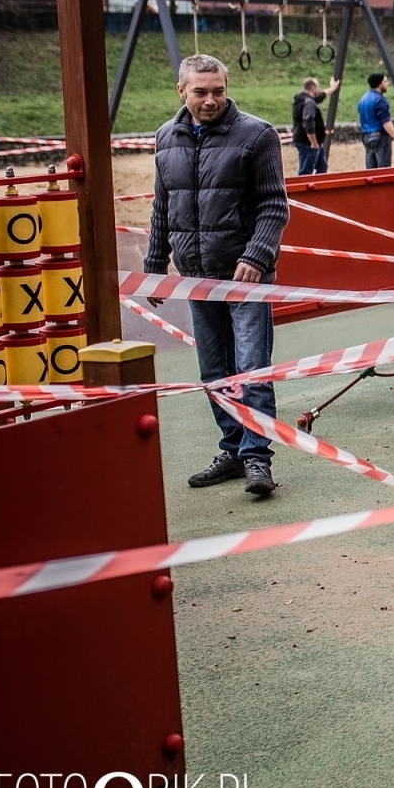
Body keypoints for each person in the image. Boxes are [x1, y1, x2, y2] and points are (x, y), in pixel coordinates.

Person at [145, 54, 289, 497]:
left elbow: (274, 206)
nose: (210, 100)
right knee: (214, 371)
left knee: (251, 369)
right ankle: (231, 449)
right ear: (181, 91)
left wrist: (258, 256)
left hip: (244, 277)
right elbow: (162, 206)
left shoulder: (257, 135)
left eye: (218, 91)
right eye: (200, 91)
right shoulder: (165, 138)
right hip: (195, 277)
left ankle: (256, 458)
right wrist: (154, 264)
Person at [292, 76, 340, 175]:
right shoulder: (309, 103)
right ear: (313, 88)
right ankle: (304, 189)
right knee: (306, 171)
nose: (319, 89)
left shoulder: (303, 99)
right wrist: (313, 143)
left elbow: (321, 95)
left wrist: (333, 88)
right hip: (308, 142)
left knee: (322, 167)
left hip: (311, 141)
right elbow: (308, 122)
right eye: (317, 87)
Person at [357, 72, 394, 169]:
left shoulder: (363, 99)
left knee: (371, 171)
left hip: (366, 137)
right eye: (385, 82)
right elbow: (386, 122)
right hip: (380, 137)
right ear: (379, 84)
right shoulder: (380, 100)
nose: (387, 84)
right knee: (383, 170)